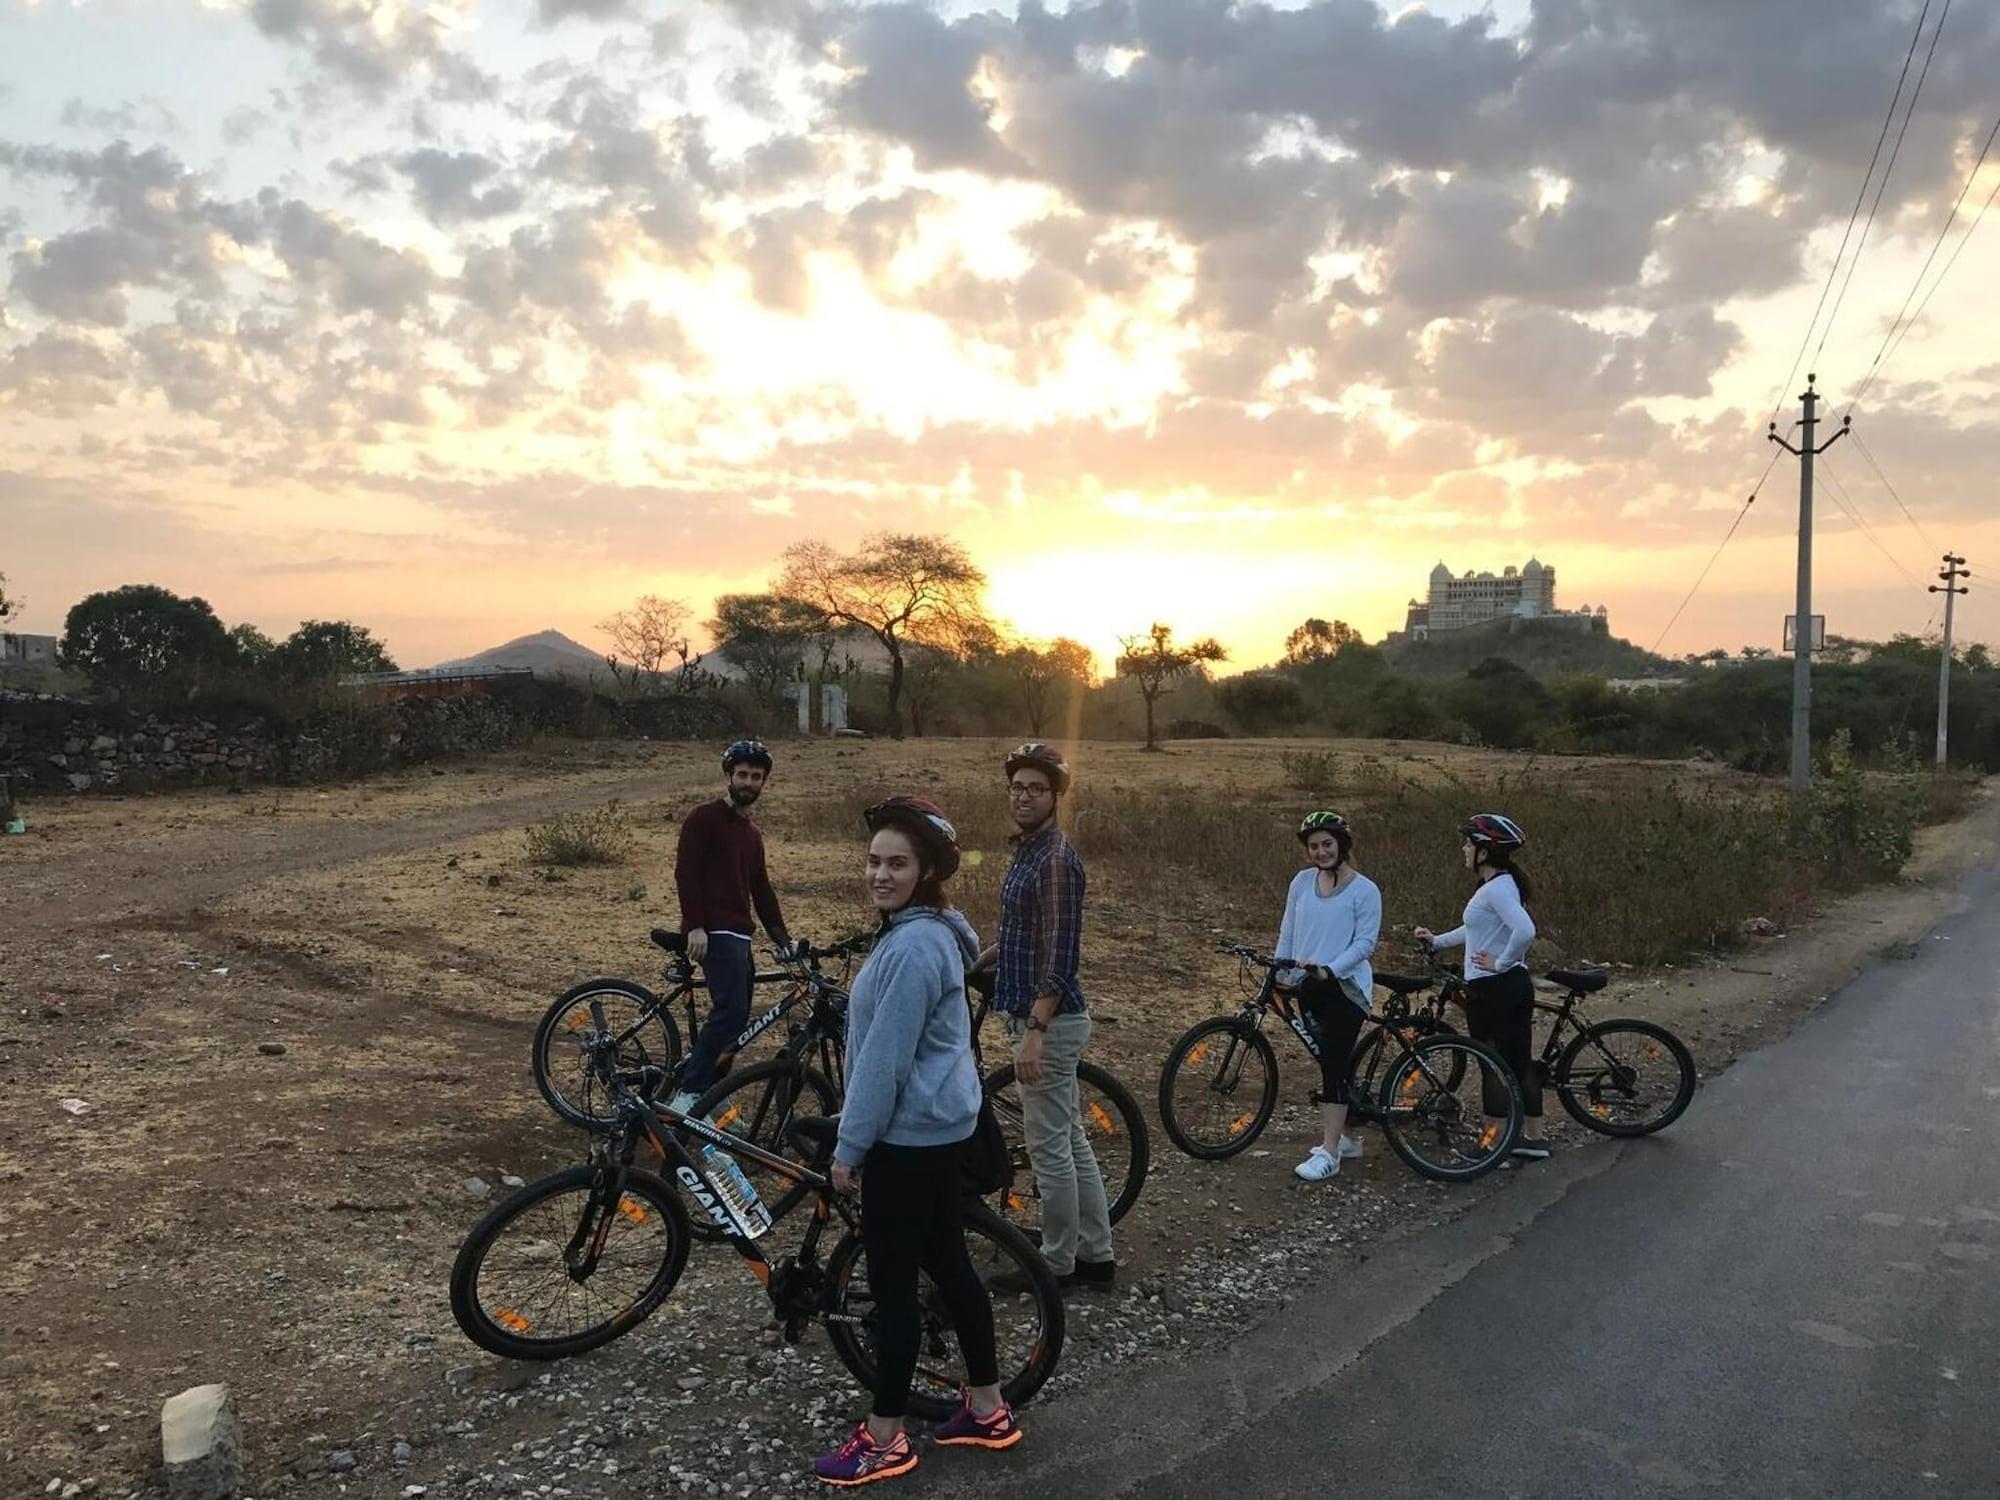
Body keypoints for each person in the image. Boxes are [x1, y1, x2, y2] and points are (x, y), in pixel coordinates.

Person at [815, 795, 1020, 1486]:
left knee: (895, 1288)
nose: (880, 874)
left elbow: (884, 1060)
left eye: (897, 863)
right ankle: (988, 1409)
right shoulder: (932, 930)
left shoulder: (911, 947)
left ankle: (884, 1440)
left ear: (927, 869)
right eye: (874, 860)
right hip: (941, 1128)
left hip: (907, 1139)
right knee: (953, 1268)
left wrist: (850, 1148)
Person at [982, 742, 1114, 1292]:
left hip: (1049, 1024)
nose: (1024, 796)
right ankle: (1095, 1252)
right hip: (1038, 1016)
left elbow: (1061, 954)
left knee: (1050, 1148)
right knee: (1070, 1139)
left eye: (1036, 788)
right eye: (1017, 787)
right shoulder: (1029, 850)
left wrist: (1034, 1032)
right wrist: (979, 959)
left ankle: (1057, 1264)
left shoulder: (1056, 859)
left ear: (1055, 796)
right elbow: (1022, 930)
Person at [1413, 812, 1547, 1161]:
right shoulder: (1498, 886)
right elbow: (1476, 932)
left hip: (1495, 988)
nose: (1463, 849)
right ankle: (1532, 1139)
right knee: (1518, 1063)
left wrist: (1502, 962)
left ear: (1483, 852)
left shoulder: (1499, 888)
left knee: (1493, 1065)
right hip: (1505, 986)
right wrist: (1437, 940)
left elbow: (1526, 931)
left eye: (1468, 844)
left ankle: (1492, 1145)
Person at [668, 739, 792, 1113]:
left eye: (756, 777)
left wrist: (783, 939)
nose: (749, 782)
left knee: (735, 1027)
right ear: (728, 776)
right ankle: (687, 1095)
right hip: (715, 932)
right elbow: (685, 872)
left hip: (740, 935)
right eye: (742, 774)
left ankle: (712, 1097)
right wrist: (694, 926)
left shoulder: (752, 835)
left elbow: (761, 889)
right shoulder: (703, 818)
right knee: (730, 1013)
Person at [1272, 811, 1383, 1183]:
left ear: (1342, 845)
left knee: (1333, 1065)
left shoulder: (1365, 891)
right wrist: (1279, 970)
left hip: (1345, 989)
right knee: (1328, 1061)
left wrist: (1331, 969)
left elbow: (1365, 944)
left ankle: (1330, 1153)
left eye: (1327, 844)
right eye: (1314, 846)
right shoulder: (1302, 882)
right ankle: (1347, 1139)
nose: (1321, 852)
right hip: (1309, 986)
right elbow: (1289, 928)